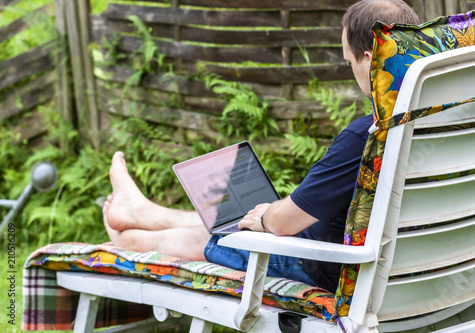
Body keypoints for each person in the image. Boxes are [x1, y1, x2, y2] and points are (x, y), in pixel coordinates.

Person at [102, 0, 420, 292]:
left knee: (235, 233)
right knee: (237, 221)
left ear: (368, 57)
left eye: (348, 61)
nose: (350, 70)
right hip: (406, 270)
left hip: (325, 264)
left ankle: (128, 238)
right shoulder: (440, 121)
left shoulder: (368, 134)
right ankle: (140, 212)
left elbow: (284, 223)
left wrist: (267, 218)